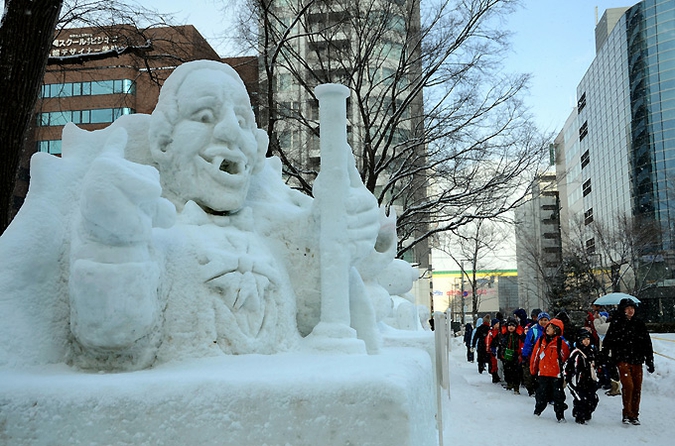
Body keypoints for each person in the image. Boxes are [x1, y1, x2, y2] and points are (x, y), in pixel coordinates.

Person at [602, 298, 655, 425]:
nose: (631, 310)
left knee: (637, 387)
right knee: (628, 385)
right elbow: (608, 341)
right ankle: (627, 412)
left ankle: (634, 414)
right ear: (623, 310)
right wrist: (605, 357)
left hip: (637, 359)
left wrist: (649, 360)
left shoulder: (639, 323)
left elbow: (647, 343)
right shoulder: (617, 323)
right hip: (622, 359)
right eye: (628, 308)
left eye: (632, 308)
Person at [530, 318, 570, 422]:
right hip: (543, 373)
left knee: (558, 396)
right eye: (548, 326)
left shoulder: (561, 343)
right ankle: (537, 410)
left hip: (556, 375)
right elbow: (535, 356)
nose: (548, 329)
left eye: (551, 327)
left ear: (556, 330)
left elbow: (565, 357)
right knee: (541, 394)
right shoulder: (541, 341)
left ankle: (560, 415)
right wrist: (533, 370)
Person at [565, 329, 599, 424]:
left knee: (593, 399)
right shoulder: (576, 353)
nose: (586, 341)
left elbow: (596, 365)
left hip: (590, 381)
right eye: (584, 339)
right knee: (581, 400)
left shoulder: (592, 351)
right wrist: (569, 380)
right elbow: (570, 367)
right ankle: (579, 416)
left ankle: (587, 414)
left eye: (588, 339)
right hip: (578, 382)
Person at [521, 311, 550, 397]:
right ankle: (533, 390)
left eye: (545, 320)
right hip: (534, 356)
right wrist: (525, 355)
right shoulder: (533, 330)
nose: (543, 322)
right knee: (531, 375)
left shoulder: (551, 330)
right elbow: (528, 343)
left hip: (547, 358)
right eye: (541, 320)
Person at [500, 317, 523, 394]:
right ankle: (509, 383)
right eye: (509, 325)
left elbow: (521, 344)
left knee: (516, 371)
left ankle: (516, 386)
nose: (511, 327)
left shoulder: (518, 335)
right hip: (506, 355)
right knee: (507, 370)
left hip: (515, 355)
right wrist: (502, 353)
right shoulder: (504, 335)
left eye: (513, 325)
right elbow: (501, 345)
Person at [486, 318, 501, 383]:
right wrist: (488, 348)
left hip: (498, 349)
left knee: (498, 364)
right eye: (497, 324)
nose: (498, 325)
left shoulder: (499, 331)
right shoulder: (491, 332)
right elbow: (488, 341)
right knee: (494, 363)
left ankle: (498, 375)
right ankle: (494, 376)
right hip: (493, 350)